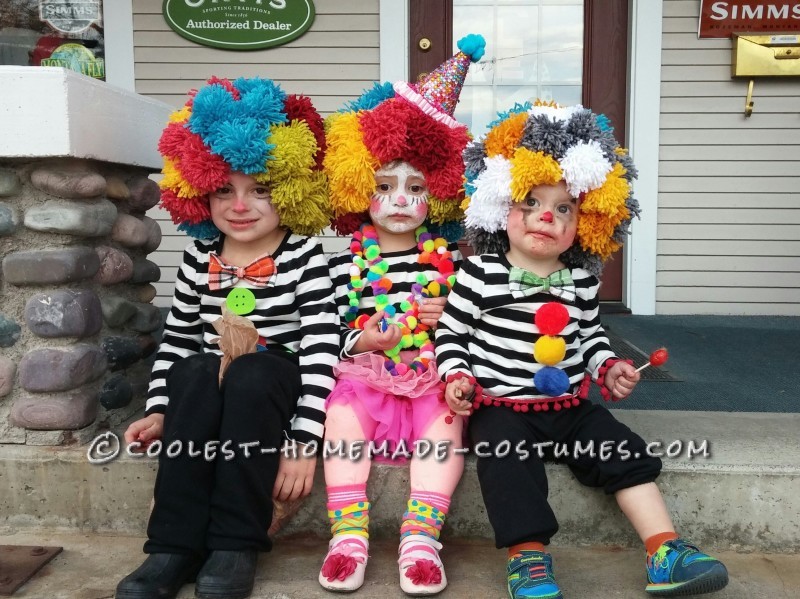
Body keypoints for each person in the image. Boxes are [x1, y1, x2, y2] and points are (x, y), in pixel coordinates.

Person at [435, 100, 729, 599]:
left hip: (570, 407)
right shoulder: (480, 273)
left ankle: (665, 550)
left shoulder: (582, 282)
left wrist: (609, 365)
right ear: (502, 206)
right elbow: (451, 334)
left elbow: (590, 337)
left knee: (622, 449)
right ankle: (528, 559)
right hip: (502, 407)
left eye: (563, 207)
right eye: (531, 201)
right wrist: (456, 377)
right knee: (506, 460)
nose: (545, 215)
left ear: (583, 224)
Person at [116, 76, 339, 599]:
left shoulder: (305, 258)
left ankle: (236, 542)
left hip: (270, 391)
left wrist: (305, 442)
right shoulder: (200, 257)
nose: (240, 205)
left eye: (260, 189)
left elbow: (322, 349)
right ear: (201, 190)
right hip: (209, 389)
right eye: (225, 189)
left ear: (289, 191)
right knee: (194, 367)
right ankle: (173, 544)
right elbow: (178, 337)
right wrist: (159, 408)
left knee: (254, 369)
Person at [318, 34, 485, 595]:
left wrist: (446, 315)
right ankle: (348, 534)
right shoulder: (348, 264)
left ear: (437, 194)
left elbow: (472, 323)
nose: (397, 200)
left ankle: (420, 535)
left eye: (414, 187)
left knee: (445, 426)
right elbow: (330, 328)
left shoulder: (449, 261)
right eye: (383, 186)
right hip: (365, 378)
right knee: (340, 420)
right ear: (360, 189)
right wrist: (363, 339)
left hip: (430, 373)